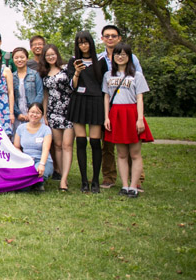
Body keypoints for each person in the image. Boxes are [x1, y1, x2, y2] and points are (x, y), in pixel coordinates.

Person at [103, 43, 153, 198]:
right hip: (116, 114)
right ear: (113, 57)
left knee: (135, 153)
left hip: (132, 113)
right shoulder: (108, 75)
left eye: (124, 54)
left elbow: (140, 98)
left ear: (129, 57)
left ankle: (134, 186)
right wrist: (106, 117)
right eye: (117, 54)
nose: (120, 57)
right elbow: (106, 97)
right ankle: (124, 185)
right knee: (121, 154)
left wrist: (140, 119)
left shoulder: (136, 75)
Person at [98, 24, 144, 190]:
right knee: (111, 147)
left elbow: (139, 92)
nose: (110, 38)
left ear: (119, 38)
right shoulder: (100, 60)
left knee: (133, 148)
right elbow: (104, 92)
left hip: (130, 109)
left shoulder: (134, 63)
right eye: (107, 36)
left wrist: (140, 117)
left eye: (113, 35)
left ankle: (135, 181)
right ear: (102, 38)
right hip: (112, 110)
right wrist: (106, 116)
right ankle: (112, 179)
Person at [66, 30, 108, 193]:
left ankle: (95, 180)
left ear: (91, 43)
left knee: (95, 142)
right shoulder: (73, 61)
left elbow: (104, 84)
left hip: (96, 101)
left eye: (86, 42)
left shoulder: (101, 61)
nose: (83, 46)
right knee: (81, 142)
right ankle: (84, 181)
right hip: (78, 101)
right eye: (80, 43)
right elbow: (72, 85)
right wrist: (77, 72)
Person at [40, 44, 74, 191]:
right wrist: (45, 114)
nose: (50, 57)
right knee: (58, 145)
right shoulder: (44, 72)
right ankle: (59, 172)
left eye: (52, 54)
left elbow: (74, 85)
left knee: (67, 145)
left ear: (57, 54)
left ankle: (64, 179)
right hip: (53, 112)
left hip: (69, 110)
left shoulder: (66, 68)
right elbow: (46, 95)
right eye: (47, 55)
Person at [13, 103, 53, 190]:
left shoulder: (46, 129)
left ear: (42, 115)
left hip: (42, 160)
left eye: (38, 113)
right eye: (32, 112)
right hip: (26, 160)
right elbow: (16, 147)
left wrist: (42, 164)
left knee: (36, 171)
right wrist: (24, 157)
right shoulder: (20, 128)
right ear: (28, 113)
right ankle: (33, 184)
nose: (34, 115)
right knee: (22, 181)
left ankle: (38, 183)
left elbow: (46, 149)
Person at [11, 47, 44, 129]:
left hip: (35, 114)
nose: (19, 60)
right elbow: (11, 96)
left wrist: (32, 112)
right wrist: (18, 114)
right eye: (16, 58)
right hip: (18, 115)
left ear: (27, 58)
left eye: (22, 57)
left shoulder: (35, 74)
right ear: (13, 59)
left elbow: (40, 93)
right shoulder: (11, 77)